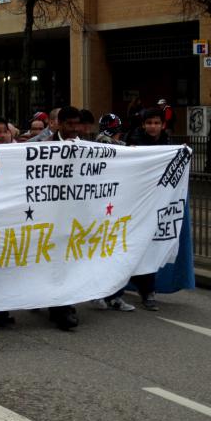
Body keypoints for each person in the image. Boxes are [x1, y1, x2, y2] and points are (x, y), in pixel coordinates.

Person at [90, 113, 137, 312]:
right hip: (102, 207)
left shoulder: (120, 145)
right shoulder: (103, 143)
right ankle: (98, 293)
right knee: (101, 253)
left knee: (116, 253)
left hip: (118, 206)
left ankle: (115, 296)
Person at [126, 107, 170, 311]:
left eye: (156, 123)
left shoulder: (168, 142)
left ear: (163, 125)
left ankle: (147, 290)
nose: (153, 126)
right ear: (143, 125)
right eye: (149, 123)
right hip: (136, 202)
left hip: (157, 200)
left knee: (150, 245)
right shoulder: (134, 141)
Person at [48, 106, 82, 331]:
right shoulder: (45, 147)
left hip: (76, 214)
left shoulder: (86, 147)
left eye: (76, 124)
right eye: (68, 124)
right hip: (50, 215)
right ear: (59, 124)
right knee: (53, 260)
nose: (73, 129)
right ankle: (58, 306)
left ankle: (66, 305)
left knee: (70, 260)